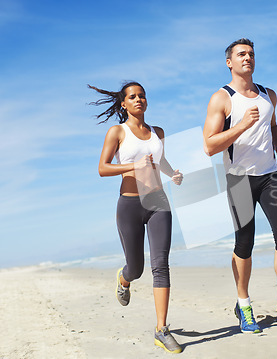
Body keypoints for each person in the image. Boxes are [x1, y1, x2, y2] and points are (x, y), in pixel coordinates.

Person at [203, 38, 277, 333]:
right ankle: (244, 304)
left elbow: (273, 126)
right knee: (244, 244)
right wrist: (240, 126)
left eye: (250, 54)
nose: (247, 57)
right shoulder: (221, 99)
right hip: (239, 179)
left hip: (270, 175)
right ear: (229, 62)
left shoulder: (268, 95)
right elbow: (209, 146)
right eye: (241, 54)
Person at [89, 81, 184, 353]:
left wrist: (171, 174)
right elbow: (102, 168)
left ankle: (161, 330)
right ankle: (123, 278)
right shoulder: (117, 131)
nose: (138, 99)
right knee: (137, 268)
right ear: (124, 103)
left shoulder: (158, 132)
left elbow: (158, 160)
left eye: (142, 95)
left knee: (161, 265)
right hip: (130, 204)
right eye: (132, 96)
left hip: (157, 201)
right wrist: (133, 165)